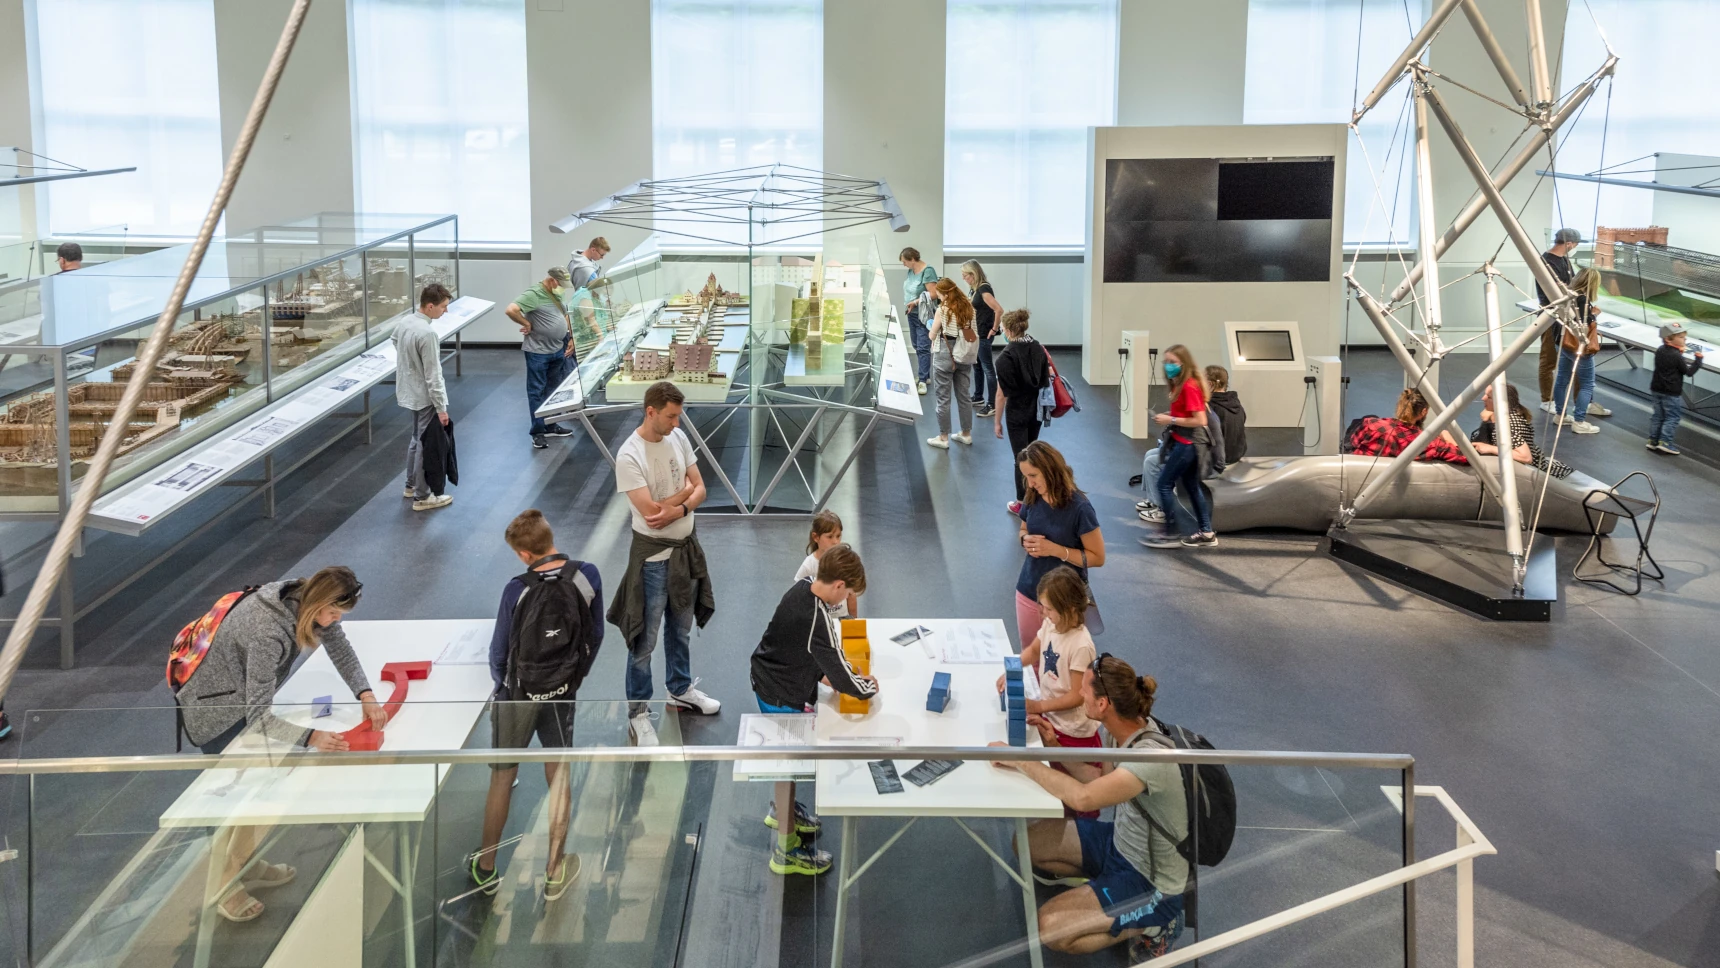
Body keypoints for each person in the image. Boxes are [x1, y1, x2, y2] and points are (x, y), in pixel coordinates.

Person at [175, 567, 383, 922]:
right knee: (232, 801)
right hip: (216, 712)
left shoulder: (299, 597)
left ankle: (247, 865)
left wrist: (365, 692)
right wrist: (311, 737)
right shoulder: (267, 631)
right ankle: (224, 886)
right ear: (318, 602)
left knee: (255, 790)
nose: (334, 622)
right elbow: (259, 716)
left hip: (237, 697)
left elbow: (340, 647)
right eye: (333, 613)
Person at [990, 654, 1187, 961]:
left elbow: (1083, 798)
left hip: (1151, 880)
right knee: (1025, 842)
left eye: (1084, 690)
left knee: (1051, 928)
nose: (1078, 694)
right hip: (1120, 845)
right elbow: (1099, 779)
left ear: (1103, 703)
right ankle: (1106, 898)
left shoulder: (1151, 757)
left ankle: (1157, 922)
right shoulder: (1119, 730)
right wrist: (1054, 746)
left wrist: (1021, 760)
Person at [472, 510, 604, 900]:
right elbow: (594, 636)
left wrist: (504, 688)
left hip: (518, 694)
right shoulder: (587, 575)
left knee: (502, 777)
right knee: (558, 775)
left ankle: (486, 868)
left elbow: (499, 652)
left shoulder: (516, 588)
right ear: (551, 537)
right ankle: (553, 871)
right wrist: (572, 679)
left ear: (524, 555)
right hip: (562, 689)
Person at [750, 543, 877, 876]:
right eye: (848, 592)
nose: (846, 599)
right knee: (786, 764)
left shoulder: (801, 589)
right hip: (782, 694)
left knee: (785, 764)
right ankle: (785, 849)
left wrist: (826, 674)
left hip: (769, 680)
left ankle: (783, 811)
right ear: (838, 586)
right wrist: (869, 686)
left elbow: (798, 647)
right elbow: (840, 672)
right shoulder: (817, 615)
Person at [607, 381, 719, 746]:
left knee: (681, 629)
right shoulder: (629, 457)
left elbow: (702, 486)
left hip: (685, 553)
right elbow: (653, 515)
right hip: (653, 560)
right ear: (650, 411)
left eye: (678, 416)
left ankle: (680, 689)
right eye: (670, 416)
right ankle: (637, 714)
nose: (675, 423)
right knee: (645, 640)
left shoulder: (679, 436)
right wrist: (686, 493)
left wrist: (683, 504)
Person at [998, 566, 1100, 818]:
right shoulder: (1051, 625)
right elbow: (1034, 649)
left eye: (1048, 608)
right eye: (1041, 606)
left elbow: (1078, 695)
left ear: (1070, 610)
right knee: (1052, 782)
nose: (1042, 612)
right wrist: (1012, 666)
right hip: (1052, 719)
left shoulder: (1081, 645)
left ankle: (1077, 832)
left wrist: (1038, 706)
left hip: (1072, 732)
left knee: (1072, 789)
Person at [1013, 441, 1104, 648]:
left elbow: (1098, 557)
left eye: (1033, 476)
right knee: (1030, 653)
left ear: (1050, 470)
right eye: (1025, 477)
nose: (1029, 483)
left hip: (1063, 600)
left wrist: (1056, 550)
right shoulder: (1032, 495)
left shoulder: (1080, 508)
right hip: (1028, 590)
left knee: (1062, 662)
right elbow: (1023, 529)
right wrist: (1024, 539)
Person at [1137, 365, 1246, 525]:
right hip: (1232, 454)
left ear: (1209, 384)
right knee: (1151, 454)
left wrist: (1172, 421)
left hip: (1213, 460)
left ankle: (1161, 509)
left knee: (1152, 461)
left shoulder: (1210, 409)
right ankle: (1153, 500)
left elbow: (1195, 435)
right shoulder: (1235, 404)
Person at [1140, 346, 1218, 550]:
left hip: (1188, 445)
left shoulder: (1189, 387)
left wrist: (1170, 418)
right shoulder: (1180, 385)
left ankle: (1170, 533)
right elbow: (1187, 413)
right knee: (1192, 486)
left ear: (1183, 364)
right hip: (1186, 442)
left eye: (1173, 362)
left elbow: (1200, 420)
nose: (1168, 366)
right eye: (1166, 362)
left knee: (1164, 484)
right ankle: (1206, 531)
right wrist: (1170, 415)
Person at [507, 267, 580, 449]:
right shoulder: (534, 294)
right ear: (552, 280)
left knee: (553, 390)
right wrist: (526, 323)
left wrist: (569, 336)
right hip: (538, 351)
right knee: (537, 391)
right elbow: (511, 310)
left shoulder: (556, 294)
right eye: (561, 284)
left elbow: (563, 314)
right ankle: (538, 431)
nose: (563, 288)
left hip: (557, 348)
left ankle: (551, 425)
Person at [396, 283, 454, 511]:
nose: (445, 311)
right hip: (424, 396)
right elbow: (433, 375)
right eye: (443, 307)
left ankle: (410, 485)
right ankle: (422, 496)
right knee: (425, 444)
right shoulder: (428, 333)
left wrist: (410, 366)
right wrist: (441, 408)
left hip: (408, 391)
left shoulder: (405, 323)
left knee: (415, 438)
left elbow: (394, 341)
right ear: (430, 306)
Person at [993, 309, 1051, 512]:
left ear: (1008, 330)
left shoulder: (1004, 358)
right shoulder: (1037, 347)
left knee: (1020, 457)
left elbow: (1002, 395)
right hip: (1037, 408)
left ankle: (1022, 502)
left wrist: (997, 421)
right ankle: (1038, 494)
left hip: (1017, 411)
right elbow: (1046, 376)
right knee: (1033, 453)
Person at [1471, 382, 1572, 478]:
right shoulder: (1505, 415)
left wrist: (1489, 448)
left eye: (1489, 397)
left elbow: (1526, 457)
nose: (1483, 398)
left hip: (1534, 473)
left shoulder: (1506, 425)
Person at [1342, 388, 1468, 462]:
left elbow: (1353, 442)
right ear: (1423, 412)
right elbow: (1466, 456)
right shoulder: (1425, 443)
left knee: (1365, 418)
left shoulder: (1371, 424)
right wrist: (1445, 434)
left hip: (1356, 470)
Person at [926, 277, 979, 450]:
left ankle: (943, 437)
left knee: (943, 397)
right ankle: (966, 434)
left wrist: (931, 328)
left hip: (945, 354)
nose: (938, 297)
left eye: (939, 294)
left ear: (945, 293)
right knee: (964, 395)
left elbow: (932, 335)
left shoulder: (943, 310)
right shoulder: (969, 308)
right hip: (964, 353)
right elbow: (972, 334)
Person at [1551, 267, 1604, 435]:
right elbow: (1584, 325)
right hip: (1579, 348)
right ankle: (1579, 421)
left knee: (1562, 380)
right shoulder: (1583, 300)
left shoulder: (1567, 296)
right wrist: (1594, 314)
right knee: (1587, 384)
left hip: (1563, 344)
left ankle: (1560, 414)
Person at [1536, 228, 1580, 413]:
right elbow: (1560, 289)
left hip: (1566, 315)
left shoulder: (1563, 260)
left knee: (1576, 359)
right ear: (1569, 243)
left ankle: (1581, 401)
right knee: (1548, 359)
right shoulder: (1547, 261)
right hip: (1551, 315)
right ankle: (1547, 400)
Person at [1648, 321, 1704, 456]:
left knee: (1658, 416)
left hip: (1656, 389)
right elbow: (1688, 372)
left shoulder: (1660, 350)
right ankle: (1665, 443)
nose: (1684, 339)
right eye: (1680, 337)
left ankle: (1653, 441)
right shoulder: (1676, 355)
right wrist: (1698, 360)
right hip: (1671, 392)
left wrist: (1679, 351)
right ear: (1668, 339)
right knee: (1672, 417)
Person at [793, 510, 857, 617]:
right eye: (830, 537)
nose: (836, 541)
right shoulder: (809, 565)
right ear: (816, 537)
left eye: (838, 536)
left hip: (842, 619)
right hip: (819, 622)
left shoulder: (844, 561)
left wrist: (854, 621)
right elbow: (797, 595)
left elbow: (851, 594)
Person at [962, 261, 1004, 416]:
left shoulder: (984, 288)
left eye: (965, 275)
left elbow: (999, 310)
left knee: (987, 368)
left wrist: (993, 329)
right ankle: (978, 396)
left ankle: (992, 404)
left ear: (973, 274)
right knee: (977, 365)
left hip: (984, 334)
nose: (964, 278)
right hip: (976, 333)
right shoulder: (974, 290)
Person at [900, 247, 940, 394]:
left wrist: (915, 302)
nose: (904, 265)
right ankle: (926, 375)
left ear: (912, 259)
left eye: (905, 262)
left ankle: (922, 380)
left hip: (923, 314)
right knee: (916, 344)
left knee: (923, 347)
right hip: (911, 313)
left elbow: (934, 294)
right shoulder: (910, 271)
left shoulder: (928, 271)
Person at [566, 237, 612, 344]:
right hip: (587, 309)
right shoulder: (587, 270)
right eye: (602, 255)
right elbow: (597, 290)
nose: (602, 258)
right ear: (593, 250)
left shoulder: (576, 260)